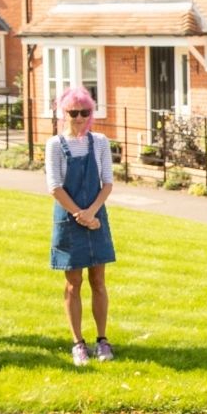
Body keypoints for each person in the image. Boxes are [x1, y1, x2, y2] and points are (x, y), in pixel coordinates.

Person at [46, 86, 117, 366]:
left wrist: (92, 213)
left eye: (84, 112)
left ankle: (102, 340)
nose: (78, 117)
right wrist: (80, 215)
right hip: (69, 218)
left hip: (96, 216)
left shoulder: (99, 142)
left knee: (98, 280)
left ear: (91, 113)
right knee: (73, 283)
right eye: (72, 112)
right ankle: (78, 343)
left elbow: (107, 182)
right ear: (63, 114)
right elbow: (54, 186)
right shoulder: (54, 145)